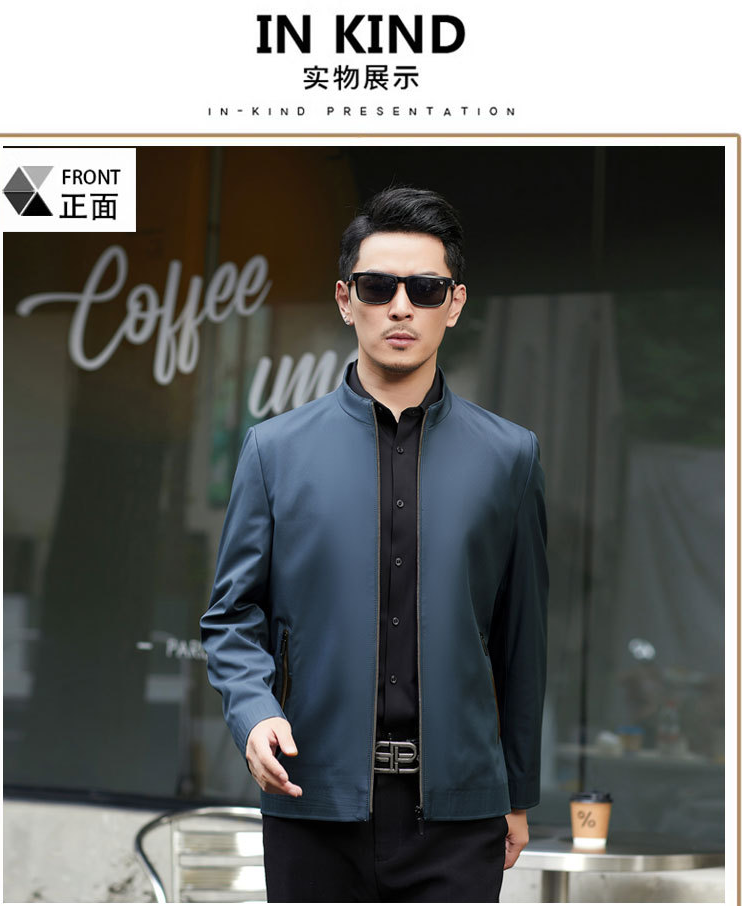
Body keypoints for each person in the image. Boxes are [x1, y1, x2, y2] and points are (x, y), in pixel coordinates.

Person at [200, 186, 548, 903]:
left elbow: (523, 640)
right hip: (313, 797)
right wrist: (254, 712)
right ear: (345, 298)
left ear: (454, 304)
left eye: (425, 289)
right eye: (377, 287)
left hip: (458, 816)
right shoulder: (274, 451)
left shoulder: (510, 456)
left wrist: (516, 792)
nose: (400, 307)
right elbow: (231, 618)